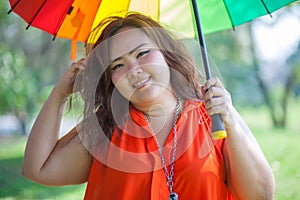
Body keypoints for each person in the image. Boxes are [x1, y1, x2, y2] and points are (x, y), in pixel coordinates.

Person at [22, 13, 275, 200]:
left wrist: (228, 117)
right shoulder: (105, 129)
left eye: (142, 53)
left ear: (166, 54)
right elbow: (38, 169)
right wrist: (60, 93)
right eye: (118, 65)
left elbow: (261, 195)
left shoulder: (215, 116)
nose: (134, 70)